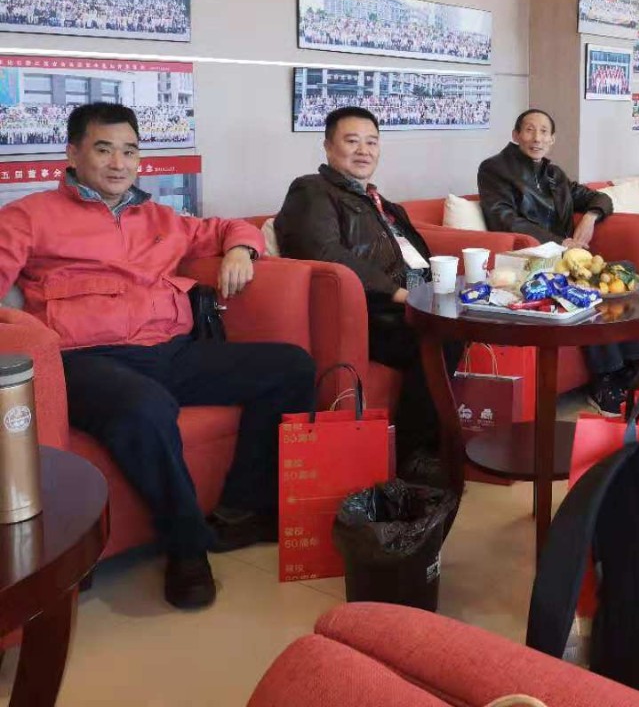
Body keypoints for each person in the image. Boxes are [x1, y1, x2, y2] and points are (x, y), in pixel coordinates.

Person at [0, 103, 315, 611]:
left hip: (171, 351)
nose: (119, 163)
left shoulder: (161, 218)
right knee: (145, 407)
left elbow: (230, 228)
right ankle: (186, 547)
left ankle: (242, 510)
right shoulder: (29, 216)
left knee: (290, 367)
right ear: (73, 154)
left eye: (129, 152)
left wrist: (242, 251)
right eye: (104, 149)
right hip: (86, 360)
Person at [274, 107, 462, 474]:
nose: (364, 150)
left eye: (372, 142)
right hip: (369, 311)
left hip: (414, 300)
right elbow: (324, 252)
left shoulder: (379, 202)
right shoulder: (311, 190)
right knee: (442, 337)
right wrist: (396, 293)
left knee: (471, 318)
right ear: (328, 147)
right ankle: (412, 454)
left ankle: (450, 439)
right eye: (352, 141)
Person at [477, 109, 636, 413]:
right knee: (588, 288)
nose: (536, 138)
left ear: (552, 139)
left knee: (626, 273)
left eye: (543, 132)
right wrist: (559, 242)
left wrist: (590, 216)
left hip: (566, 261)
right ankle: (604, 380)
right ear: (515, 135)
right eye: (529, 130)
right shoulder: (495, 169)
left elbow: (600, 198)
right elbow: (504, 219)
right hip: (532, 262)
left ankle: (630, 369)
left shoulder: (554, 174)